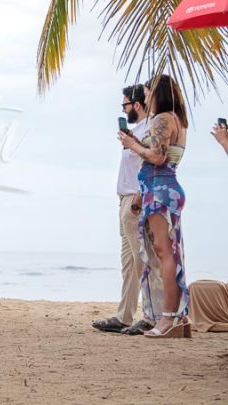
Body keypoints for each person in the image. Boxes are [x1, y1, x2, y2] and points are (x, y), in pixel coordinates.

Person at [119, 75, 189, 338]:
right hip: (164, 189)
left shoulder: (163, 119)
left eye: (148, 93)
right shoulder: (179, 120)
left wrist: (133, 145)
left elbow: (157, 157)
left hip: (160, 190)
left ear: (157, 93)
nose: (145, 98)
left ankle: (166, 318)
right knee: (169, 252)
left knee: (164, 253)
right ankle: (176, 316)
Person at [93, 85, 153, 335]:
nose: (124, 109)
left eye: (125, 105)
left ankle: (151, 315)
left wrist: (138, 197)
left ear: (136, 106)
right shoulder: (136, 131)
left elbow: (150, 163)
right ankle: (124, 315)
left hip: (135, 200)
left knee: (143, 258)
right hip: (125, 200)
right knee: (128, 263)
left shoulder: (149, 128)